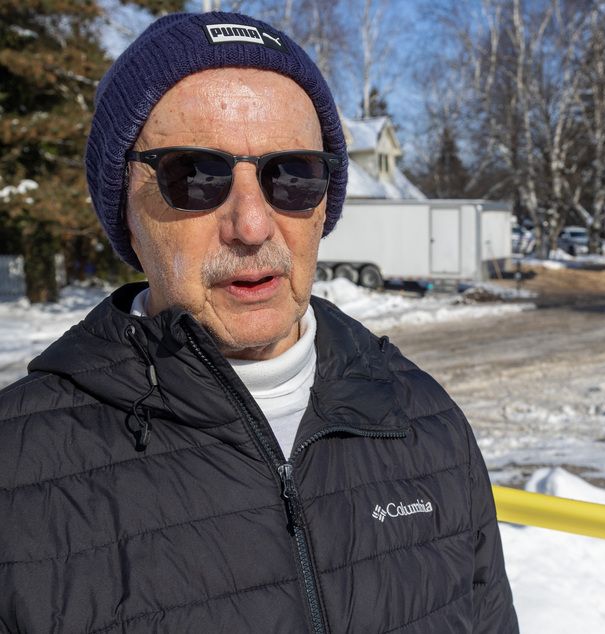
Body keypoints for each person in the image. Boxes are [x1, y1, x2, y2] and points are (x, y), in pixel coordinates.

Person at [0, 12, 518, 633]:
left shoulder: (426, 425)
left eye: (292, 175)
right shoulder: (18, 476)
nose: (251, 224)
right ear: (125, 211)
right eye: (193, 175)